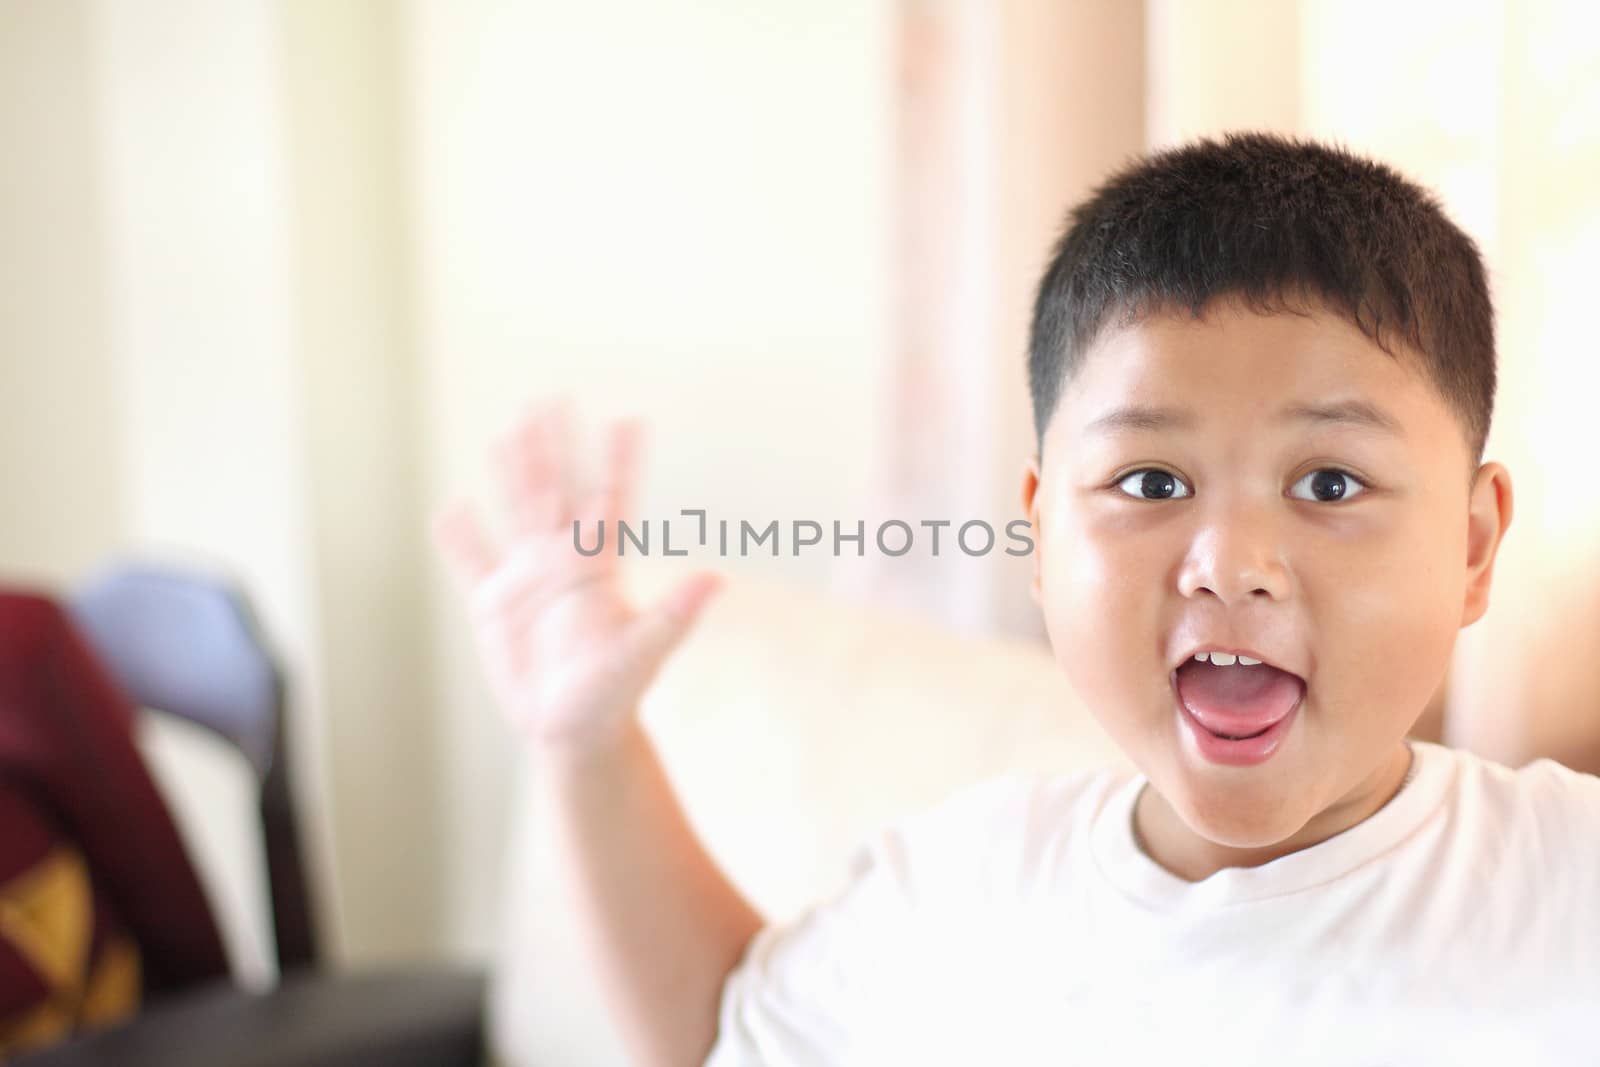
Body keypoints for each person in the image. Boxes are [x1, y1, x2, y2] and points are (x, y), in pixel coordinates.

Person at [431, 131, 1600, 1066]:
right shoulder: (965, 886)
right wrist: (587, 745)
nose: (1230, 561)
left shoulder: (1566, 887)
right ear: (1040, 538)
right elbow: (729, 1034)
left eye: (1329, 482)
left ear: (1470, 545)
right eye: (1149, 480)